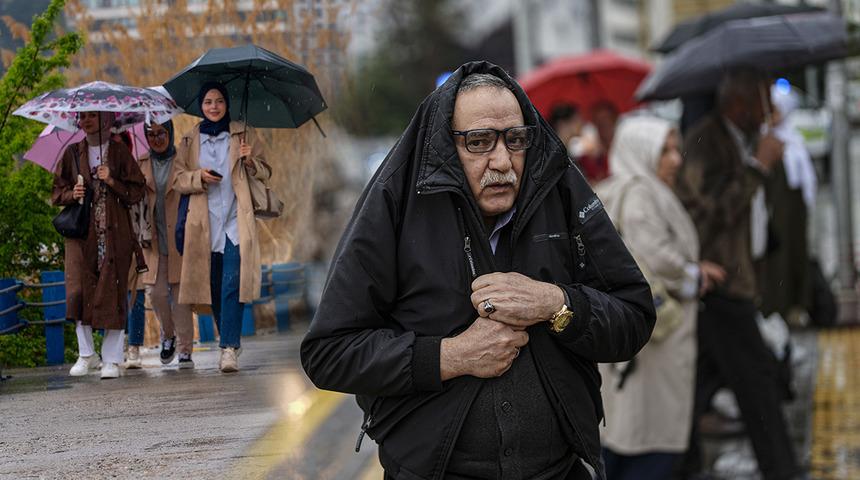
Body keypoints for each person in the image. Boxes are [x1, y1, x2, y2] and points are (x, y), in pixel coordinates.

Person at [301, 62, 655, 480]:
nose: (502, 161)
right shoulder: (395, 203)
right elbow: (329, 353)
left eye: (516, 139)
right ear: (446, 146)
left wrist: (556, 304)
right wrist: (448, 357)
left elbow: (633, 315)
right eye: (479, 142)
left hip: (557, 471)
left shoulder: (557, 187)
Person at [674, 69, 803, 480]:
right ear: (739, 102)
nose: (768, 110)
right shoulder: (705, 141)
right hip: (720, 285)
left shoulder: (738, 137)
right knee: (757, 387)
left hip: (737, 282)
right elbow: (706, 217)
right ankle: (782, 470)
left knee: (700, 386)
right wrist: (756, 168)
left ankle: (681, 463)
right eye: (763, 98)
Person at [595, 116, 725, 480]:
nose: (676, 159)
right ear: (641, 152)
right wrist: (693, 275)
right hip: (657, 341)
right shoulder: (640, 191)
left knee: (627, 430)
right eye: (664, 150)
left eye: (674, 148)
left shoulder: (624, 187)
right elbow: (652, 253)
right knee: (648, 435)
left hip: (639, 342)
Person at [173, 82, 271, 373]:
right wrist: (198, 176)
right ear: (200, 106)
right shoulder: (190, 140)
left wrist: (249, 160)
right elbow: (178, 179)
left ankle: (228, 347)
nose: (213, 107)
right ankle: (229, 338)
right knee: (213, 286)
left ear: (227, 104)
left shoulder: (243, 133)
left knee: (232, 282)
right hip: (203, 224)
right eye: (207, 102)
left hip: (235, 220)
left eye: (218, 101)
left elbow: (267, 171)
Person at [52, 111, 145, 379]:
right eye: (83, 116)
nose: (87, 120)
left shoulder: (118, 151)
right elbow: (57, 192)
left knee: (113, 291)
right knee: (79, 291)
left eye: (93, 115)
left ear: (106, 119)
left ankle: (112, 359)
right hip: (82, 234)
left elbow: (137, 190)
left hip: (114, 233)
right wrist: (73, 193)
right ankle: (86, 354)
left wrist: (111, 179)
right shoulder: (72, 152)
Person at [138, 120, 195, 368]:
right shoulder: (140, 163)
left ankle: (184, 349)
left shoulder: (182, 159)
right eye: (150, 135)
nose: (156, 139)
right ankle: (168, 335)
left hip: (179, 236)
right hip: (153, 238)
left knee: (181, 296)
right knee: (157, 293)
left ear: (170, 133)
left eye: (161, 133)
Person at [577, 101, 618, 185]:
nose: (604, 126)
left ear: (614, 120)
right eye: (599, 123)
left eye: (606, 120)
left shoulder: (626, 151)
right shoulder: (591, 161)